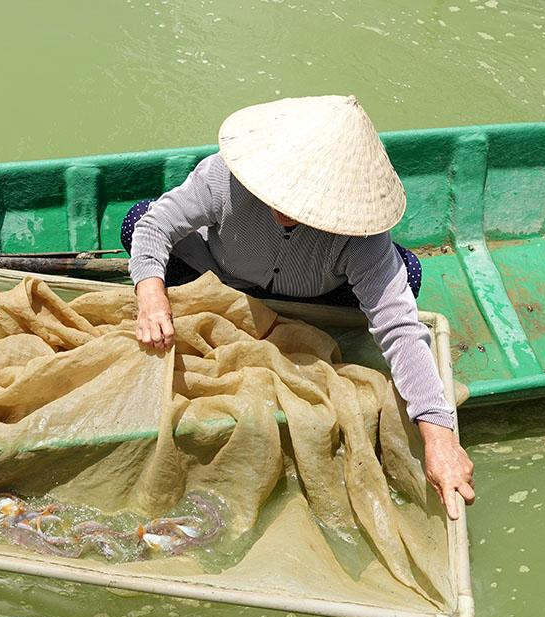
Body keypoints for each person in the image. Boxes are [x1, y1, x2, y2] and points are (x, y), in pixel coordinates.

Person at [124, 95, 475, 519]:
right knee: (137, 219)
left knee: (409, 274)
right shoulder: (223, 177)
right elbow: (155, 226)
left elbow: (400, 329)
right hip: (222, 276)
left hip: (312, 295)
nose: (285, 210)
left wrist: (441, 440)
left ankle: (304, 327)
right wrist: (151, 296)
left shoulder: (362, 237)